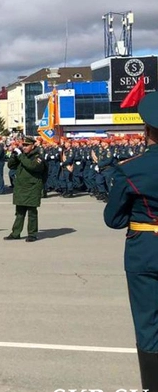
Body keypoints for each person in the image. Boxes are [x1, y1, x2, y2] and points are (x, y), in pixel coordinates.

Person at [103, 92, 158, 391]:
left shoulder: (131, 168)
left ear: (146, 130)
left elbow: (113, 219)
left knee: (148, 324)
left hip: (144, 252)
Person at [3, 137, 45, 242]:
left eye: (27, 145)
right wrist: (14, 156)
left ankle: (32, 234)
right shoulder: (23, 156)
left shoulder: (38, 157)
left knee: (32, 212)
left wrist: (21, 156)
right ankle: (15, 233)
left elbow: (32, 166)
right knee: (19, 212)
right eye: (24, 145)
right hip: (21, 187)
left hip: (32, 187)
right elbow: (11, 165)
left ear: (33, 146)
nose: (24, 147)